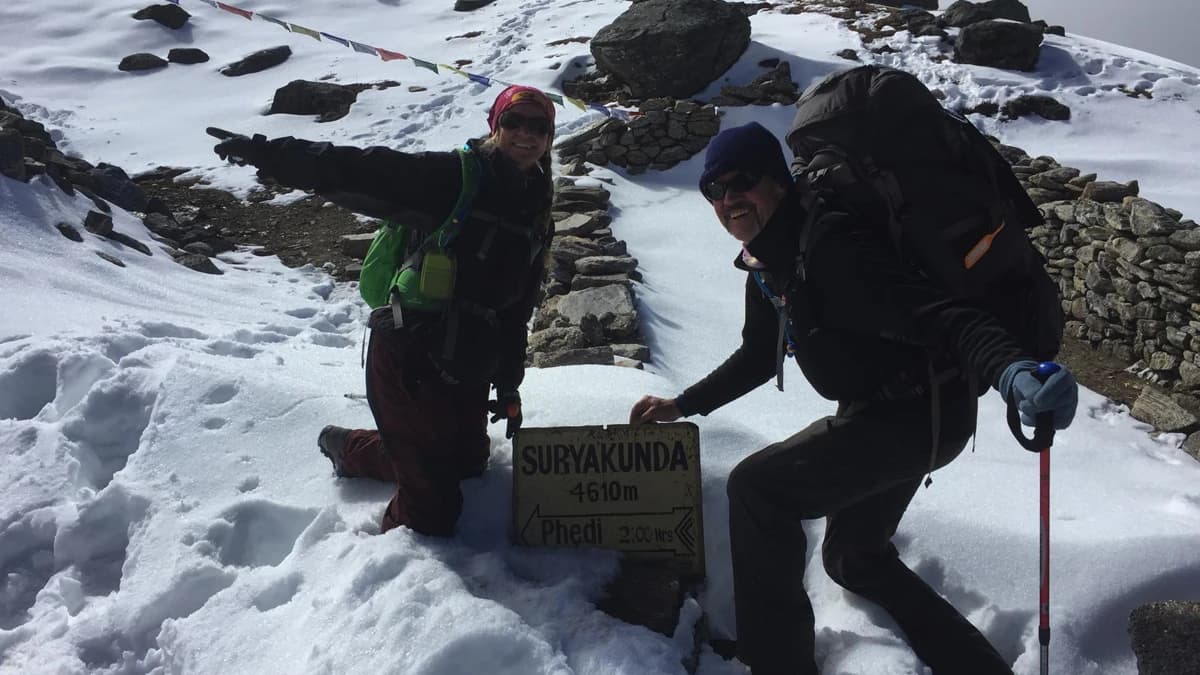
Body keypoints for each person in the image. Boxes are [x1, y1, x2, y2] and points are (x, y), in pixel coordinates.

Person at [628, 121, 1078, 675]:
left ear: (778, 182)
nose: (728, 199)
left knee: (758, 489)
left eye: (741, 182)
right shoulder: (770, 260)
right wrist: (682, 404)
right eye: (713, 190)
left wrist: (1012, 371)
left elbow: (946, 319)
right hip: (890, 411)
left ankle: (776, 665)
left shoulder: (834, 248)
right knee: (853, 557)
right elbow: (758, 355)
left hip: (918, 415)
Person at [213, 84, 557, 537]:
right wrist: (272, 154)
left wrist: (509, 384)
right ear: (495, 126)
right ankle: (384, 551)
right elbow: (365, 170)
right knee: (432, 511)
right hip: (410, 353)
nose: (526, 134)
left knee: (467, 463)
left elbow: (516, 308)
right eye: (514, 121)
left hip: (466, 359)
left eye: (539, 126)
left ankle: (361, 449)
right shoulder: (455, 177)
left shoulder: (538, 208)